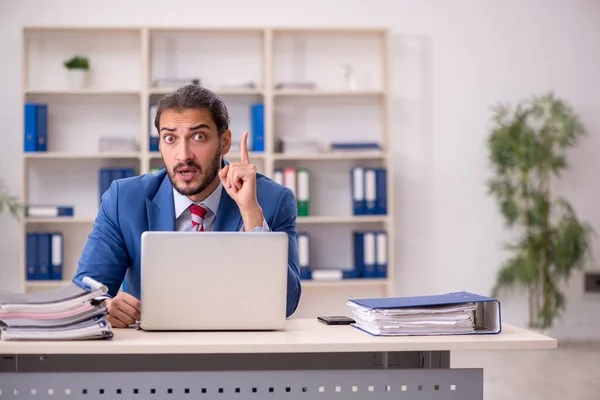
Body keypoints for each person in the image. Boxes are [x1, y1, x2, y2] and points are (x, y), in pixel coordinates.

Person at [73, 84, 302, 328]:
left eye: (198, 137)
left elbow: (286, 304)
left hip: (237, 349)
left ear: (225, 142)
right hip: (152, 352)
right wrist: (103, 307)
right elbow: (83, 293)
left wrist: (250, 214)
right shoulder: (124, 199)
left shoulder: (272, 200)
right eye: (170, 138)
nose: (183, 155)